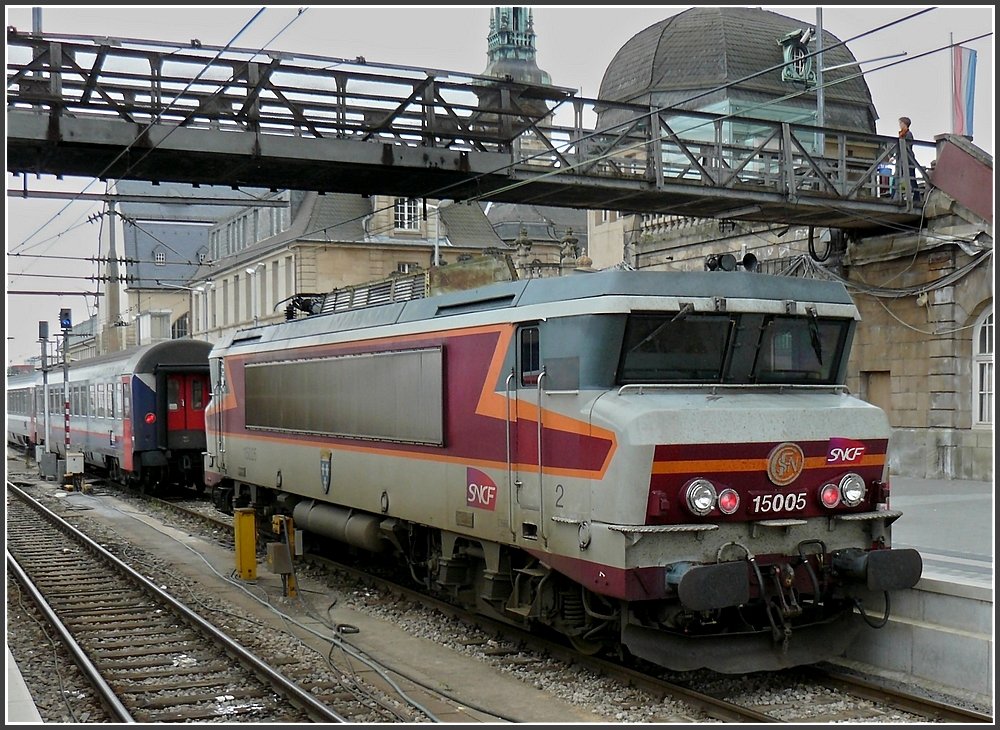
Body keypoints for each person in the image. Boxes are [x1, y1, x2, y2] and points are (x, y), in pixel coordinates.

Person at [895, 116, 921, 203]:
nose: (899, 125)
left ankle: (916, 197)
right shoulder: (903, 133)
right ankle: (897, 195)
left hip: (908, 159)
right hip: (903, 159)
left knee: (910, 178)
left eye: (901, 123)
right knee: (901, 177)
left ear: (904, 124)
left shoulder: (908, 134)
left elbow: (906, 147)